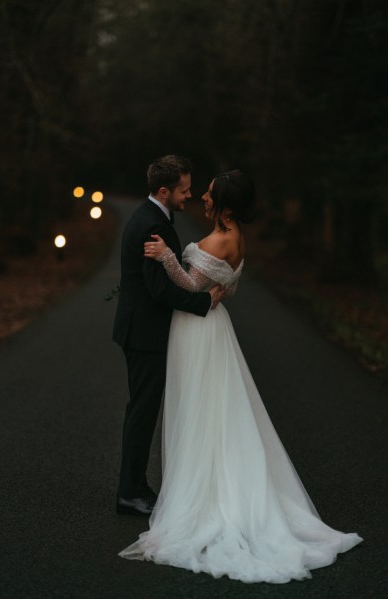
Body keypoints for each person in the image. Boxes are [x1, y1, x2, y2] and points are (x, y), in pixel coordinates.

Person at [119, 170, 362, 583]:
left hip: (197, 332)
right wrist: (207, 290)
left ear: (226, 204)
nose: (202, 197)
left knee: (202, 412)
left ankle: (204, 497)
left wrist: (166, 257)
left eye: (210, 194)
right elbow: (218, 290)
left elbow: (192, 285)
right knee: (214, 411)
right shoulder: (233, 237)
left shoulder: (222, 239)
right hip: (210, 328)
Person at [112, 155, 225, 517]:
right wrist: (203, 301)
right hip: (144, 333)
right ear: (164, 191)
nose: (189, 196)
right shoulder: (151, 226)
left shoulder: (156, 218)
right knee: (142, 412)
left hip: (143, 329)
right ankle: (130, 492)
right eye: (184, 190)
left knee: (142, 410)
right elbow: (160, 291)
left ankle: (135, 487)